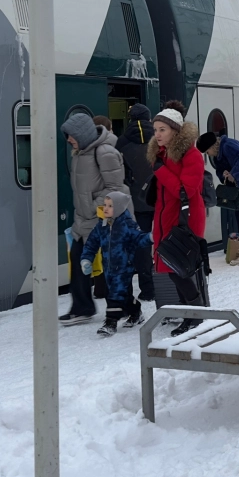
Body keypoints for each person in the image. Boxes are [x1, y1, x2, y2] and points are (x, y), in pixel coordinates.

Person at [58, 112, 130, 325]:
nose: (69, 140)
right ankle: (82, 307)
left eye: (71, 136)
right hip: (83, 220)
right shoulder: (80, 153)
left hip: (102, 219)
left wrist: (92, 207)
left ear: (82, 134)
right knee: (79, 262)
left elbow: (117, 188)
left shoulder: (104, 152)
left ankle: (127, 307)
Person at [148, 101, 207, 337]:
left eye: (163, 129)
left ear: (175, 131)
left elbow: (186, 190)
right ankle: (192, 314)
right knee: (174, 268)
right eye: (155, 130)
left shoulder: (190, 154)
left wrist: (160, 171)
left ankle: (196, 314)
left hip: (185, 219)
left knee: (179, 268)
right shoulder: (161, 155)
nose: (158, 134)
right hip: (166, 217)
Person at [80, 191, 152, 336]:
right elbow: (91, 243)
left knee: (115, 294)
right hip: (108, 267)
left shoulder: (127, 225)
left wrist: (151, 237)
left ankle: (110, 322)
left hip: (124, 267)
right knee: (121, 294)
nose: (105, 208)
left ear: (119, 208)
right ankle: (136, 312)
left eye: (110, 206)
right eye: (105, 205)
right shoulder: (102, 225)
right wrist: (86, 259)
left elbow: (139, 239)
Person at [197, 131, 239, 265]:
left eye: (207, 152)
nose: (208, 155)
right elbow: (223, 169)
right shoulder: (222, 150)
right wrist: (225, 175)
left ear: (212, 147)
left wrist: (234, 174)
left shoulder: (228, 146)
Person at [116, 103, 155, 302]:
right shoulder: (159, 139)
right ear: (149, 119)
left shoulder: (121, 142)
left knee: (141, 246)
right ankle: (165, 282)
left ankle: (147, 289)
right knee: (163, 241)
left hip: (135, 202)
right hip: (159, 199)